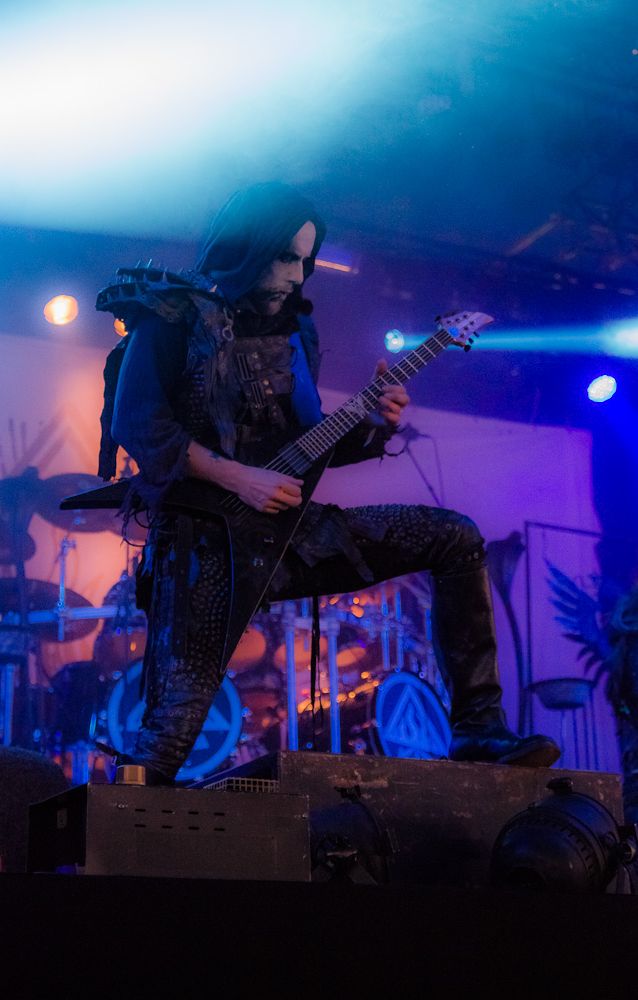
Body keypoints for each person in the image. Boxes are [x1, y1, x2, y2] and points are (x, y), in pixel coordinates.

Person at [96, 181, 560, 783]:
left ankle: (477, 727)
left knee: (455, 536)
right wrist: (240, 478)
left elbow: (303, 449)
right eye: (285, 257)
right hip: (203, 546)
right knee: (166, 744)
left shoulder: (296, 332)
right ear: (248, 246)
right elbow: (139, 424)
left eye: (305, 261)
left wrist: (373, 425)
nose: (297, 275)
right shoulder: (170, 315)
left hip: (292, 536)